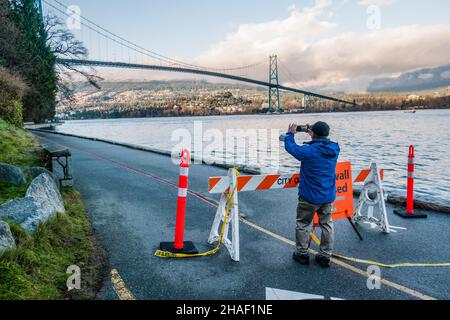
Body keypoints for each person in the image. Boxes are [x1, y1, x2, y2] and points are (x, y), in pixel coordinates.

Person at [284, 121, 340, 268]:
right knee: (327, 225)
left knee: (302, 224)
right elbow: (319, 146)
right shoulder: (335, 148)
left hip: (309, 196)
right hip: (327, 196)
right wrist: (313, 134)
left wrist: (290, 133)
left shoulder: (308, 151)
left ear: (314, 134)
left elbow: (291, 147)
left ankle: (302, 254)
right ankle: (325, 256)